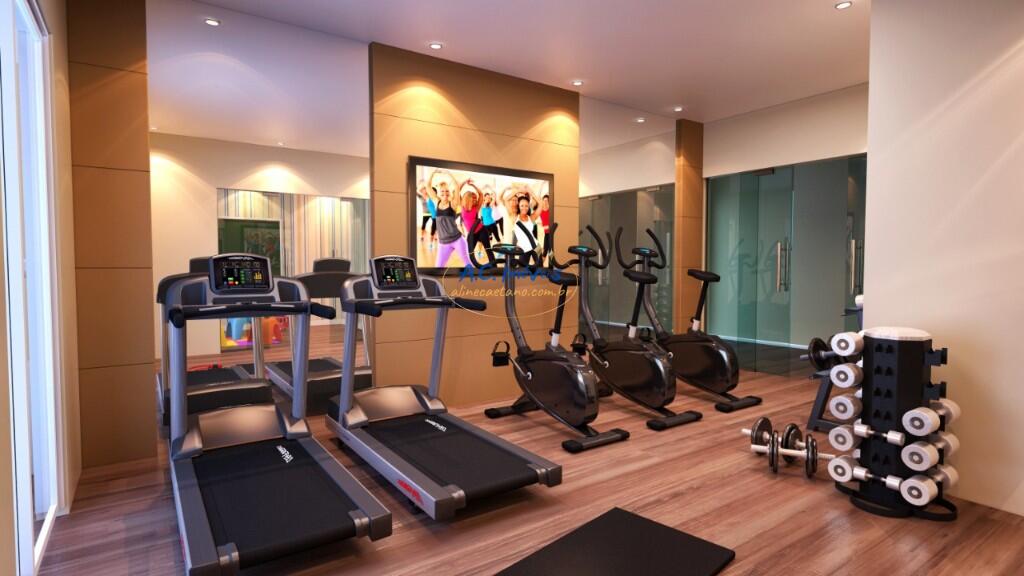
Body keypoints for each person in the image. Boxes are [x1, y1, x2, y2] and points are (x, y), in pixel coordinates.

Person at [427, 169, 472, 268]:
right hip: (443, 243)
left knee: (468, 265)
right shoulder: (436, 202)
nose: (445, 193)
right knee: (438, 268)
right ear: (438, 193)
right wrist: (432, 173)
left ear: (450, 192)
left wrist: (449, 174)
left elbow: (457, 187)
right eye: (442, 191)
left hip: (457, 240)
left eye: (447, 191)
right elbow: (428, 187)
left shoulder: (453, 203)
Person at [417, 180, 437, 248]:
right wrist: (424, 184)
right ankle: (430, 243)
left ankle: (435, 239)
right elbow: (419, 191)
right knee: (431, 230)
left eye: (434, 192)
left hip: (437, 217)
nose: (432, 193)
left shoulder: (437, 199)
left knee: (435, 229)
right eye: (431, 192)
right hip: (432, 216)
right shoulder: (427, 198)